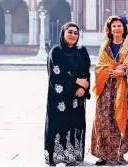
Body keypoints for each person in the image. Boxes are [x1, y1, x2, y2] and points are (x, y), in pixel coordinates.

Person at [91, 15, 128, 166]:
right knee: (104, 121)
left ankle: (118, 154)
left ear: (124, 29)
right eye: (114, 26)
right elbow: (99, 67)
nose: (117, 29)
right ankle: (103, 154)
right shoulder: (105, 47)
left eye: (119, 26)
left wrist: (124, 73)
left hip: (124, 91)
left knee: (123, 120)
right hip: (106, 90)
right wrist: (110, 69)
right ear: (110, 29)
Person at [44, 22, 91, 167]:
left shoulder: (81, 51)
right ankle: (57, 156)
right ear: (63, 33)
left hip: (77, 97)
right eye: (69, 32)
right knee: (59, 124)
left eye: (76, 33)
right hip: (60, 98)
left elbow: (86, 72)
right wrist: (77, 81)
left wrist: (84, 88)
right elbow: (56, 73)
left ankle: (74, 155)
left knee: (75, 123)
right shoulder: (56, 51)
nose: (73, 35)